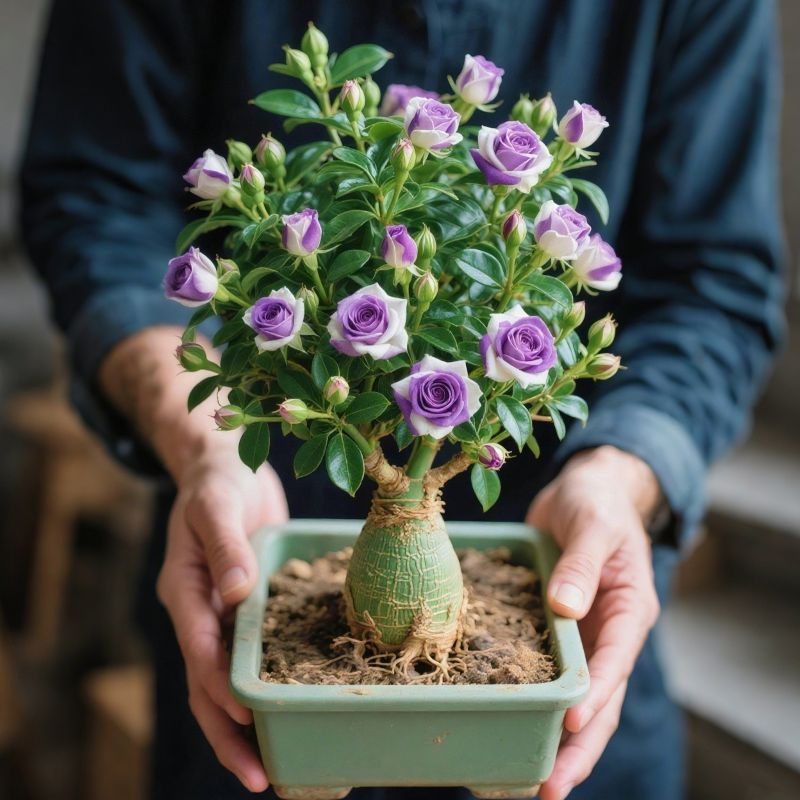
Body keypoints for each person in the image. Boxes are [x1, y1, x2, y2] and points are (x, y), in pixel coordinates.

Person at [19, 1, 784, 799]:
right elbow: (93, 201)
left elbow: (716, 282)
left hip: (566, 643)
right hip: (245, 577)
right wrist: (204, 440)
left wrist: (622, 475)